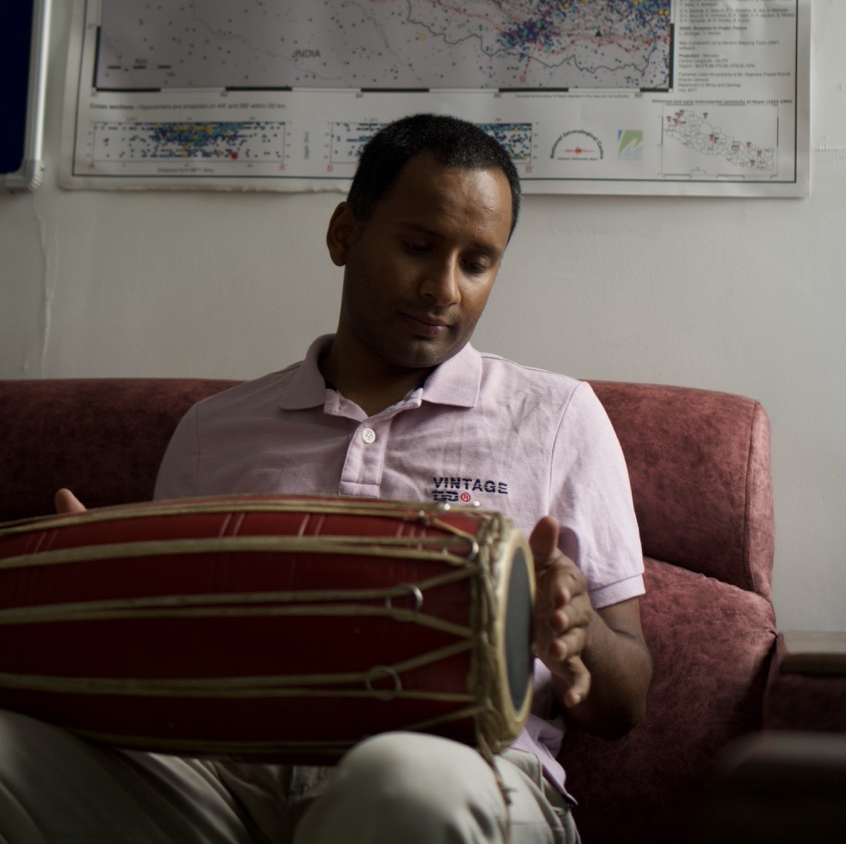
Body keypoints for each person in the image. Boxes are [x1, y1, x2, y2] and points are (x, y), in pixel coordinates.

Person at [4, 113, 651, 844]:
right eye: (416, 246)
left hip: (464, 767)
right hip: (226, 781)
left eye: (477, 262)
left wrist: (575, 632)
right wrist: (86, 588)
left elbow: (625, 699)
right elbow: (172, 665)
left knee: (399, 784)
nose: (443, 287)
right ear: (345, 233)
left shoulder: (557, 416)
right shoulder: (211, 431)